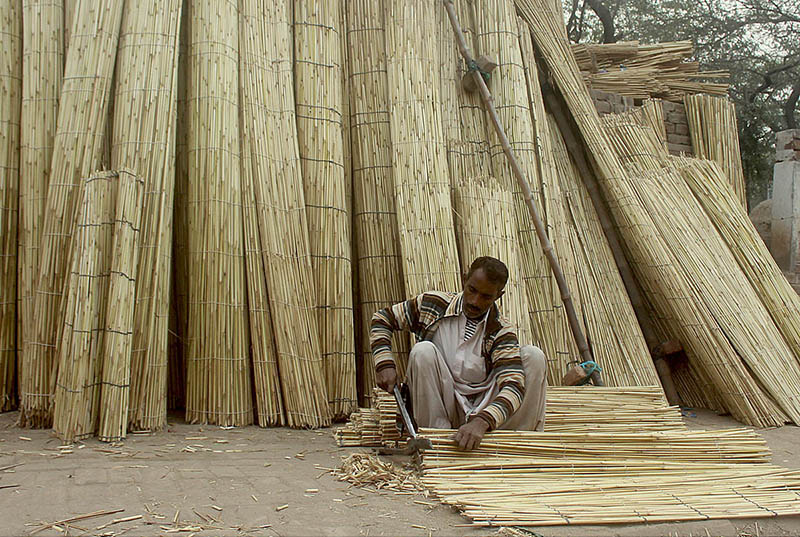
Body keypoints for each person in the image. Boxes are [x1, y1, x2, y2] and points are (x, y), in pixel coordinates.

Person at [370, 256, 547, 451]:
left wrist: (482, 421)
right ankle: (434, 441)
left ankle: (509, 444)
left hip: (484, 409)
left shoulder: (501, 330)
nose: (474, 301)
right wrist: (384, 363)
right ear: (464, 279)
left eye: (486, 297)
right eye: (471, 290)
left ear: (498, 295)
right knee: (423, 351)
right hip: (443, 401)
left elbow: (513, 385)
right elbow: (382, 319)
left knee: (534, 356)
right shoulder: (433, 305)